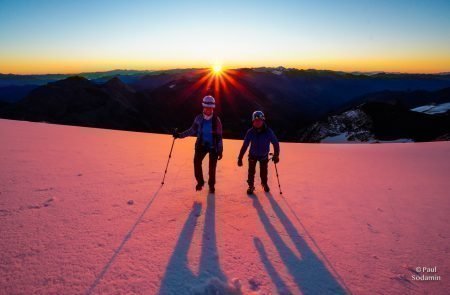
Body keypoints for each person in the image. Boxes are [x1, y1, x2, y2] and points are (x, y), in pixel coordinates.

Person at [173, 95, 223, 193]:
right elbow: (192, 130)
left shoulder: (216, 121)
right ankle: (200, 182)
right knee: (196, 163)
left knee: (212, 168)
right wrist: (179, 135)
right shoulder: (199, 119)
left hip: (213, 147)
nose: (208, 109)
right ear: (203, 107)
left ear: (213, 108)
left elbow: (219, 136)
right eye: (206, 107)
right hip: (201, 145)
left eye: (210, 108)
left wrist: (220, 150)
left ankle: (211, 186)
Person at [237, 111, 280, 194]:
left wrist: (276, 155)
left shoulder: (268, 132)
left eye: (259, 121)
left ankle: (264, 183)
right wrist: (240, 157)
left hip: (263, 156)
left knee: (263, 172)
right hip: (253, 155)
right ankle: (251, 186)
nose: (257, 123)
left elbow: (275, 143)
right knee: (251, 172)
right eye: (255, 121)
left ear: (263, 121)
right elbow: (245, 145)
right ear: (253, 122)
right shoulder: (250, 132)